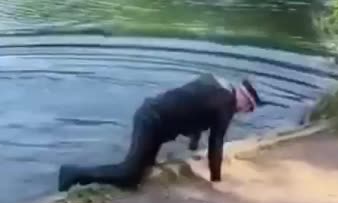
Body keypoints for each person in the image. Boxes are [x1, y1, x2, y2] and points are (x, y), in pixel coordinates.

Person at [58, 73, 263, 192]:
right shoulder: (226, 104)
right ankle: (73, 172)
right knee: (129, 173)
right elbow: (216, 142)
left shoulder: (216, 84)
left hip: (153, 116)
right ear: (244, 100)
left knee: (137, 176)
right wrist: (216, 182)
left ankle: (85, 179)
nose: (244, 112)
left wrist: (192, 147)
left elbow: (196, 108)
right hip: (152, 121)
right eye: (248, 108)